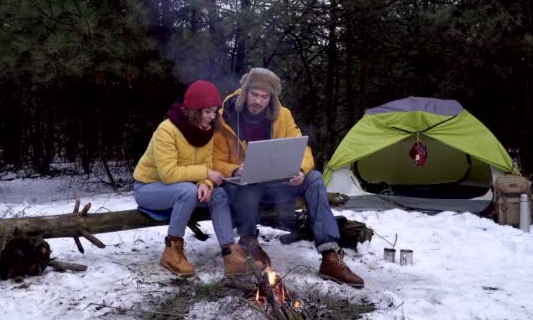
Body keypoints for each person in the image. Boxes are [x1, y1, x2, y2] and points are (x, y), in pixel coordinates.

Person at [213, 68, 365, 288]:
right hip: (242, 187)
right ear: (245, 92)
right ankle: (249, 243)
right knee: (248, 184)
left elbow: (304, 150)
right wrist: (236, 170)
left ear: (272, 98)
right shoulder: (226, 116)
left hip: (275, 184)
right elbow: (214, 161)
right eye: (254, 94)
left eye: (264, 97)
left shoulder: (282, 115)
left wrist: (300, 171)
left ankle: (330, 256)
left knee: (313, 179)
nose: (258, 101)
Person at [133, 80, 250, 278]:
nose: (213, 117)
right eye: (207, 112)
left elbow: (206, 165)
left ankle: (230, 253)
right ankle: (172, 250)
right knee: (187, 191)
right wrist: (205, 175)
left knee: (219, 193)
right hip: (149, 189)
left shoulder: (207, 131)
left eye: (215, 111)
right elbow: (168, 174)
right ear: (194, 111)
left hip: (185, 187)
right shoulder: (167, 130)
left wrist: (205, 183)